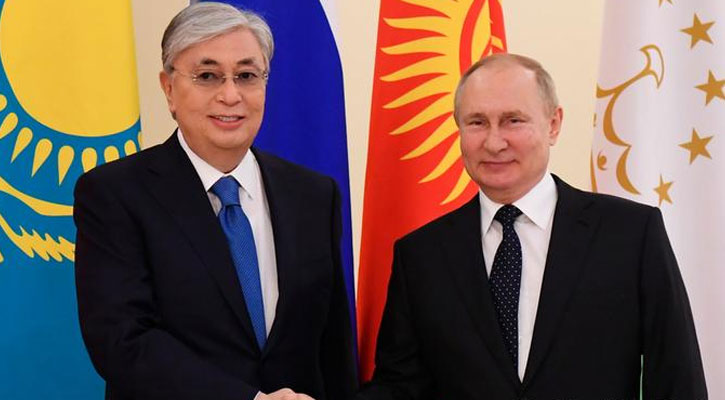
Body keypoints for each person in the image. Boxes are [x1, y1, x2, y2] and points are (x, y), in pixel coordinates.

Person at [357, 53, 707, 400]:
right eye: (477, 122)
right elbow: (400, 387)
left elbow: (677, 378)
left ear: (553, 124)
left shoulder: (630, 234)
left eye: (513, 121)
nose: (494, 142)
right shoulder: (421, 255)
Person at [73, 3, 356, 400]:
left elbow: (333, 347)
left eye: (246, 76)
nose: (230, 95)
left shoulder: (313, 195)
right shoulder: (114, 194)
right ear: (169, 89)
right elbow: (122, 340)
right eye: (207, 76)